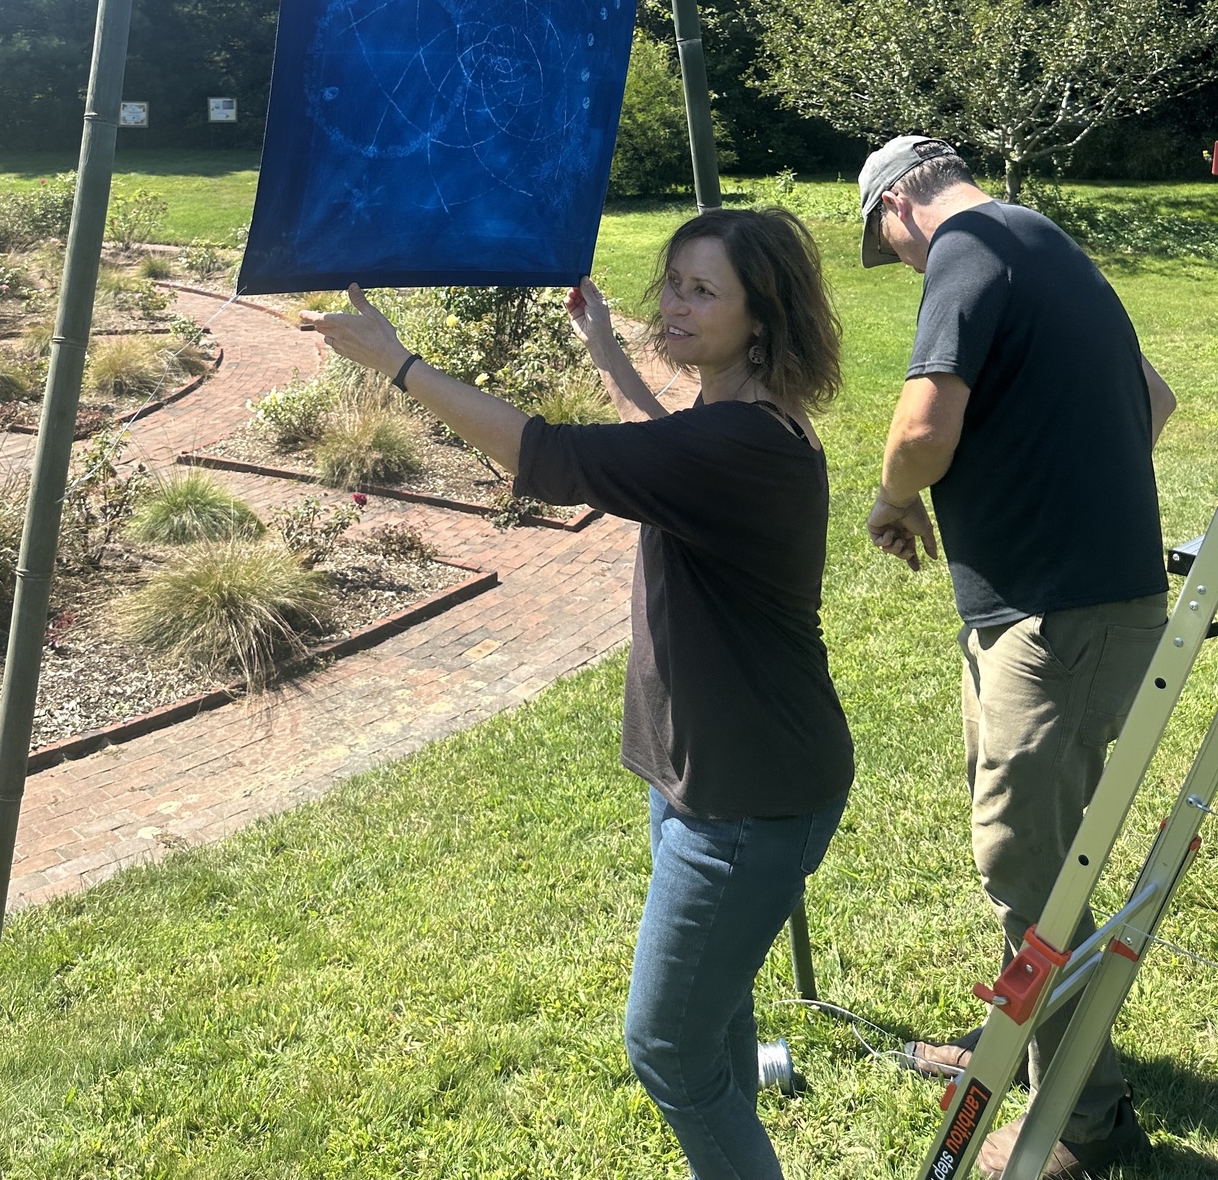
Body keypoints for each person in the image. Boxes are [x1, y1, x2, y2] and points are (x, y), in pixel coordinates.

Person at [303, 208, 854, 1180]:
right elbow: (659, 448)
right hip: (714, 778)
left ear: (760, 316)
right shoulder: (738, 425)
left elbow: (552, 461)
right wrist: (608, 350)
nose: (672, 303)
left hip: (744, 799)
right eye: (672, 280)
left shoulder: (743, 446)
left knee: (669, 1046)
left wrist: (398, 363)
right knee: (712, 1017)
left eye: (701, 289)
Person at [859, 135, 1175, 1180]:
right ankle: (1020, 1046)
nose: (898, 259)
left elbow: (921, 425)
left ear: (902, 199)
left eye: (884, 240)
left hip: (1060, 616)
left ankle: (1082, 1123)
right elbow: (1157, 397)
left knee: (1028, 861)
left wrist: (895, 497)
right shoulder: (1049, 245)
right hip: (1040, 607)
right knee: (1032, 853)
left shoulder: (965, 247)